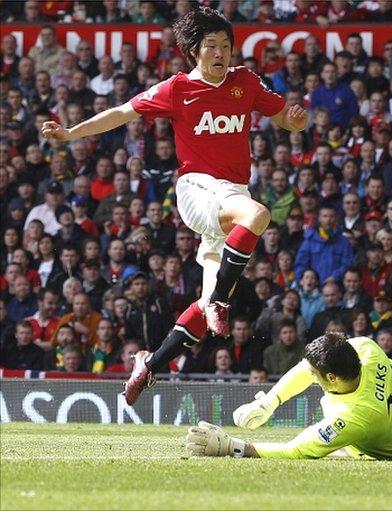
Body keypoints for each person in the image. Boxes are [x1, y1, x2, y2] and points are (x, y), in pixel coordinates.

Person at [40, 8, 307, 405]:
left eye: (226, 46)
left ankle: (149, 365)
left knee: (202, 311)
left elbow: (286, 118)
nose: (221, 53)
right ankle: (219, 300)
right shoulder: (177, 89)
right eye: (211, 47)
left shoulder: (245, 82)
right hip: (197, 188)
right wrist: (70, 133)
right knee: (258, 215)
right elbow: (121, 112)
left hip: (229, 195)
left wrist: (296, 121)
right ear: (193, 52)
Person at [185, 332, 392, 459]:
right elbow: (307, 367)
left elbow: (297, 450)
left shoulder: (351, 418)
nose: (309, 376)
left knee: (342, 447)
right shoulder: (366, 347)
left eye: (316, 375)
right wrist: (269, 401)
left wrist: (233, 446)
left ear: (331, 378)